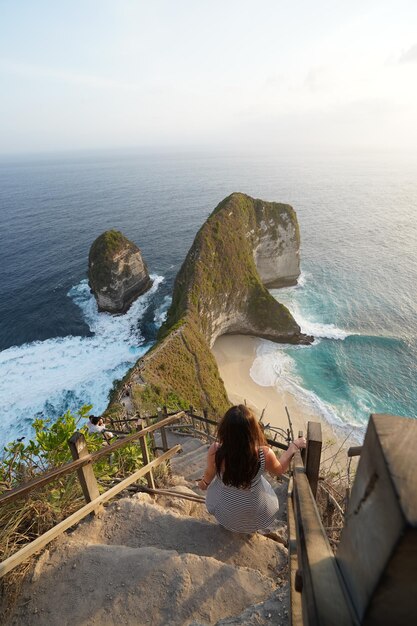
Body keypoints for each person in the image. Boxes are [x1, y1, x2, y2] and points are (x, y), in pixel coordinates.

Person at [198, 404, 306, 534]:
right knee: (258, 501)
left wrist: (203, 484)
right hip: (254, 513)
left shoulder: (216, 451)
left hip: (225, 515)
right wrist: (293, 447)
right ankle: (249, 527)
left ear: (224, 430)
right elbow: (280, 469)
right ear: (253, 430)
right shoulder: (263, 454)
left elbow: (209, 474)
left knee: (221, 499)